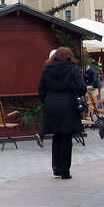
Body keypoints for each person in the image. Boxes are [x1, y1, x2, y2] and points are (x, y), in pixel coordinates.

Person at [38, 46, 86, 179]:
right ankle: (65, 171)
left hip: (51, 104)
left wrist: (47, 101)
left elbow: (41, 89)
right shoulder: (73, 69)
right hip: (68, 105)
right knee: (66, 136)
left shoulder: (47, 70)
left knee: (56, 135)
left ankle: (56, 167)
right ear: (69, 56)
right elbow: (81, 89)